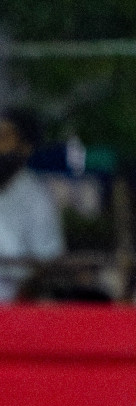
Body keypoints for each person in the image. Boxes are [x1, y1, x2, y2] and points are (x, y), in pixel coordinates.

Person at [0, 108, 64, 302]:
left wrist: (20, 302)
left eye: (4, 137)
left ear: (25, 147)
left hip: (14, 307)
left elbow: (47, 259)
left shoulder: (36, 195)